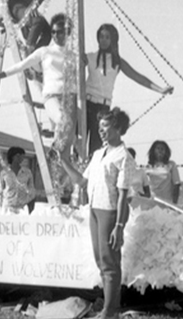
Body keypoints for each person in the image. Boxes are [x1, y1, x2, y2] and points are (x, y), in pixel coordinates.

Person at [58, 107, 135, 319]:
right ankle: (109, 306)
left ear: (118, 128)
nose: (101, 131)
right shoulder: (98, 154)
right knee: (101, 261)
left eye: (105, 127)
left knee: (110, 263)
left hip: (110, 213)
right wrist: (64, 161)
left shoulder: (124, 157)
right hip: (93, 210)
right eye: (99, 127)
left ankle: (111, 311)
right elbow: (82, 182)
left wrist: (119, 226)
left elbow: (122, 196)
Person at [0, 13, 76, 163]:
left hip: (69, 97)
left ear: (67, 32)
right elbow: (20, 66)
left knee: (70, 138)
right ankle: (54, 151)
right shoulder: (45, 51)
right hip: (51, 96)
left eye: (60, 32)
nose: (56, 35)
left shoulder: (72, 55)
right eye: (53, 32)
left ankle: (62, 176)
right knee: (63, 121)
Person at [85, 24, 173, 156]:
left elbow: (138, 77)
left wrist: (160, 89)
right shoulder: (90, 57)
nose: (103, 40)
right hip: (87, 103)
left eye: (107, 37)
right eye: (101, 37)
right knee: (78, 141)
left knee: (96, 147)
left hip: (103, 107)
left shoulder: (117, 62)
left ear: (113, 40)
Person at [0, 147, 36, 212]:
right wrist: (0, 208)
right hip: (8, 208)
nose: (22, 158)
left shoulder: (27, 172)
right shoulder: (4, 173)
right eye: (19, 156)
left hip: (22, 208)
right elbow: (0, 191)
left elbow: (31, 189)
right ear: (13, 157)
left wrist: (30, 204)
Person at [146, 140, 181, 204]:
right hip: (153, 200)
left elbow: (176, 184)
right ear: (153, 151)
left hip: (167, 201)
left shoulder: (171, 164)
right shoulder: (148, 167)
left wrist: (174, 202)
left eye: (162, 149)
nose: (160, 151)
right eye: (158, 148)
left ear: (166, 152)